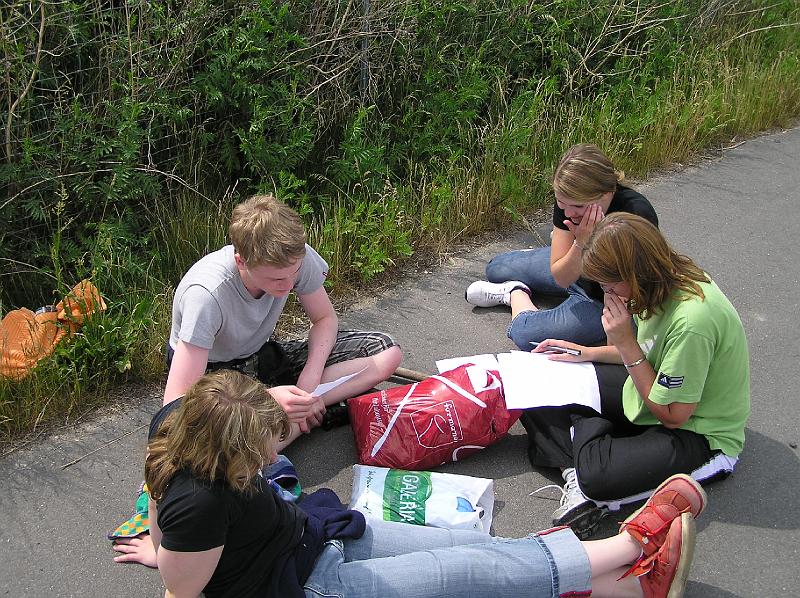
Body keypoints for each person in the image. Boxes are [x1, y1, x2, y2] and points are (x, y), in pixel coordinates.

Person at [130, 369, 707, 598]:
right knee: (468, 573)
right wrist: (174, 557)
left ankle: (634, 591)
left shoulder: (176, 424)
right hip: (304, 585)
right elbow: (182, 592)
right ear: (226, 451)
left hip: (311, 535)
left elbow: (159, 492)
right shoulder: (199, 503)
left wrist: (164, 548)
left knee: (473, 546)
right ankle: (630, 545)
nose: (273, 451)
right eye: (263, 445)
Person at [522, 213, 750, 537]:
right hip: (651, 387)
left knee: (597, 478)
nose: (607, 293)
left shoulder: (692, 322)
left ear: (635, 273)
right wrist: (586, 353)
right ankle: (580, 464)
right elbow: (650, 350)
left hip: (699, 432)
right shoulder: (658, 283)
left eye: (609, 285)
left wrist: (625, 343)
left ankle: (585, 456)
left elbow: (673, 415)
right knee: (537, 383)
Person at [164, 193, 403, 449]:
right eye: (277, 279)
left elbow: (324, 319)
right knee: (206, 437)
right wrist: (268, 399)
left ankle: (299, 411)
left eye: (295, 273)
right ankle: (285, 425)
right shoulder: (206, 295)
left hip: (260, 356)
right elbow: (176, 404)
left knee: (386, 353)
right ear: (241, 261)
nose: (289, 285)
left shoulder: (294, 258)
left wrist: (309, 380)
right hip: (217, 376)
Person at [465, 144, 658, 347]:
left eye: (578, 206)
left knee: (525, 335)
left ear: (606, 193)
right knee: (496, 268)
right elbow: (562, 278)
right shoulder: (569, 202)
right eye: (561, 204)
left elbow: (632, 293)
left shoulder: (636, 213)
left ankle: (515, 292)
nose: (569, 214)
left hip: (600, 297)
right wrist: (580, 243)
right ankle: (542, 261)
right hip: (575, 267)